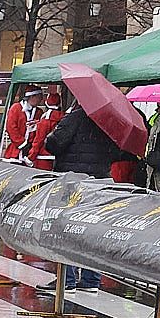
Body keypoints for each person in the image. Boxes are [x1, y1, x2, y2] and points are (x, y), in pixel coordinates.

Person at [41, 101, 124, 291]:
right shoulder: (110, 122)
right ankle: (91, 280)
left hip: (73, 183)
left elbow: (54, 145)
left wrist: (52, 134)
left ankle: (66, 280)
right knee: (91, 231)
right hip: (99, 183)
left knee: (66, 229)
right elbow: (118, 152)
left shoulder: (74, 118)